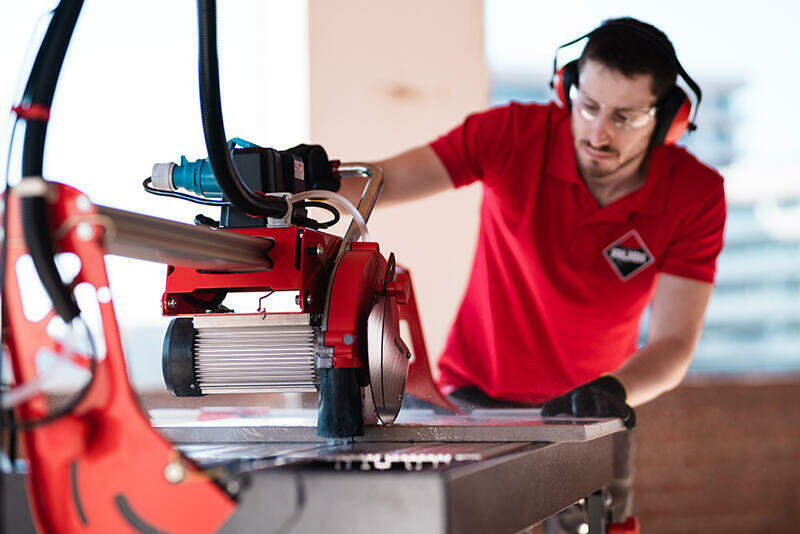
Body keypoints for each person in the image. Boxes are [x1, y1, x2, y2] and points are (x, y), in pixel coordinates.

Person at [340, 16, 726, 526]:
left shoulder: (695, 195)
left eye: (625, 118)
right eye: (587, 107)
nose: (598, 132)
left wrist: (615, 390)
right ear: (566, 91)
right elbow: (382, 182)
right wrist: (296, 181)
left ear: (669, 118)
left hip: (592, 410)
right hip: (468, 404)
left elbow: (674, 344)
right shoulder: (511, 134)